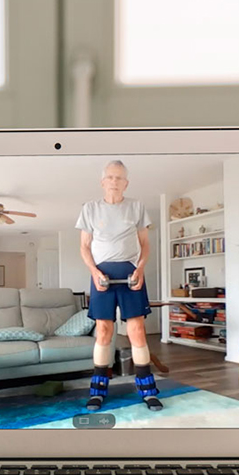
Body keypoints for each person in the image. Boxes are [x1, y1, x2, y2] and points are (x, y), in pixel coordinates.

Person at [75, 160, 161, 411]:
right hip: (101, 273)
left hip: (130, 272)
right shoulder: (89, 209)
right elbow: (84, 247)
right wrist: (94, 272)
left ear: (126, 183)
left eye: (119, 178)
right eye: (110, 177)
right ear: (103, 182)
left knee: (137, 331)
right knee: (103, 331)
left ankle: (148, 390)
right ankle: (98, 391)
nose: (114, 181)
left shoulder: (137, 207)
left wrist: (140, 269)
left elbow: (145, 244)